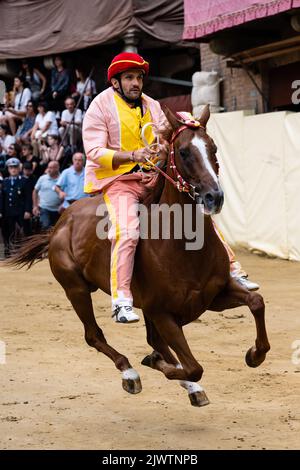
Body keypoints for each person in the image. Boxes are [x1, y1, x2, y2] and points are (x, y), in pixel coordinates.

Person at [0, 158, 32, 256]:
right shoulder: (5, 182)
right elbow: (2, 198)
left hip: (21, 211)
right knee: (8, 232)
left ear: (19, 168)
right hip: (8, 212)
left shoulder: (24, 181)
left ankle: (27, 252)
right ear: (8, 169)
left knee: (25, 231)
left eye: (15, 167)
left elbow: (28, 197)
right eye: (11, 167)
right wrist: (1, 211)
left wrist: (28, 210)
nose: (13, 169)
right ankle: (8, 251)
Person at [33, 161, 61, 230]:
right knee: (46, 227)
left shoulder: (62, 178)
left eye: (51, 168)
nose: (49, 169)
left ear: (57, 168)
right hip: (44, 208)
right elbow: (35, 191)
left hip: (58, 210)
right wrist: (35, 206)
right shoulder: (42, 178)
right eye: (48, 167)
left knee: (57, 230)